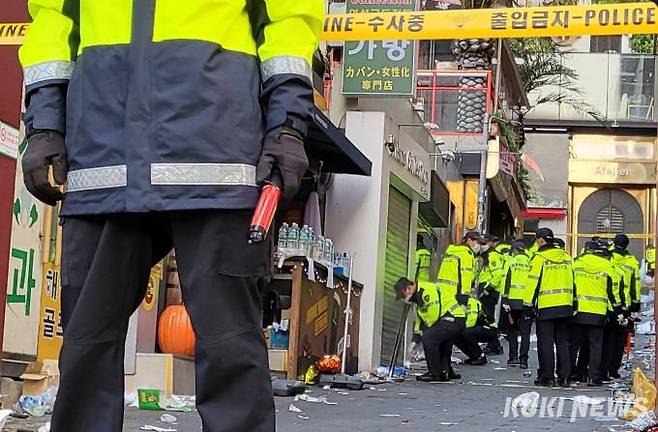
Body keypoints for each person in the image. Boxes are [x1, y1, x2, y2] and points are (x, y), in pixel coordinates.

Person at [19, 2, 324, 431]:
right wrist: (44, 122)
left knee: (230, 348)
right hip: (107, 159)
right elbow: (53, 19)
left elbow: (290, 20)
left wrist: (288, 124)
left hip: (213, 158)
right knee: (87, 349)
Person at [523, 228, 576, 387]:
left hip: (546, 307)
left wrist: (528, 306)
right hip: (565, 306)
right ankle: (565, 377)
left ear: (540, 240)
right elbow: (574, 282)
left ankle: (547, 377)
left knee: (545, 342)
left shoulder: (539, 258)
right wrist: (574, 302)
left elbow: (533, 282)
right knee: (563, 342)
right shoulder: (567, 258)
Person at [570, 241, 623, 386]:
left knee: (574, 345)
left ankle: (569, 374)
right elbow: (613, 292)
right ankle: (594, 377)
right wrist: (619, 312)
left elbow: (570, 284)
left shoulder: (578, 263)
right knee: (595, 346)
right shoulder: (607, 266)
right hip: (598, 313)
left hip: (578, 311)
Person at [395, 277, 466, 382]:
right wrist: (415, 341)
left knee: (430, 337)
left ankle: (435, 373)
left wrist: (424, 334)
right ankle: (446, 371)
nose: (403, 298)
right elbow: (420, 321)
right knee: (442, 343)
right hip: (450, 320)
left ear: (409, 288)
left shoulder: (426, 290)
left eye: (403, 295)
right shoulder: (418, 297)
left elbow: (434, 315)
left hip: (453, 318)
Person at [605, 234, 640, 380]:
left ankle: (601, 370)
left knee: (605, 340)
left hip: (607, 305)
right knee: (619, 342)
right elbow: (635, 287)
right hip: (624, 306)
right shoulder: (631, 262)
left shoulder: (607, 257)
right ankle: (613, 370)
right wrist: (634, 309)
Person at [501, 240, 531, 368]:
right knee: (525, 333)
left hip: (512, 303)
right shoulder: (531, 263)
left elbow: (505, 282)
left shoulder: (510, 262)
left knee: (512, 331)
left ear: (514, 250)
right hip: (527, 304)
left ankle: (513, 357)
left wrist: (504, 300)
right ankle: (523, 360)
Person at [436, 231, 482, 306]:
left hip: (441, 291)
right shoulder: (466, 254)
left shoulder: (452, 251)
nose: (478, 245)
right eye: (477, 242)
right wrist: (464, 297)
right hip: (455, 294)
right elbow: (465, 277)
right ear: (469, 240)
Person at [478, 234, 506, 355]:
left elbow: (498, 275)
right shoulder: (486, 256)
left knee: (490, 319)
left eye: (484, 243)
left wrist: (487, 289)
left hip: (491, 292)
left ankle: (494, 345)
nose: (481, 246)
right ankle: (494, 345)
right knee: (488, 319)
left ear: (490, 243)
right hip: (487, 291)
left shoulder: (493, 256)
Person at [454, 297, 502, 365]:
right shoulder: (456, 302)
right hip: (477, 328)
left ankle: (481, 357)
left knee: (466, 333)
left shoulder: (472, 302)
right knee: (455, 338)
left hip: (489, 328)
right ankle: (474, 356)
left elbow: (471, 322)